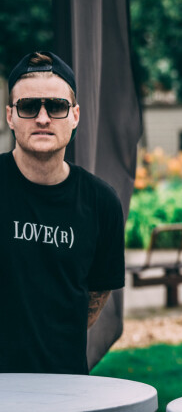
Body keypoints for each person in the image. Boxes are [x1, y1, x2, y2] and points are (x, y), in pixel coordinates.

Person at [1, 51, 125, 374]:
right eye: (28, 107)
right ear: (10, 116)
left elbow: (96, 294)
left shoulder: (102, 203)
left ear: (75, 116)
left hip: (68, 389)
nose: (43, 118)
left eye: (56, 106)